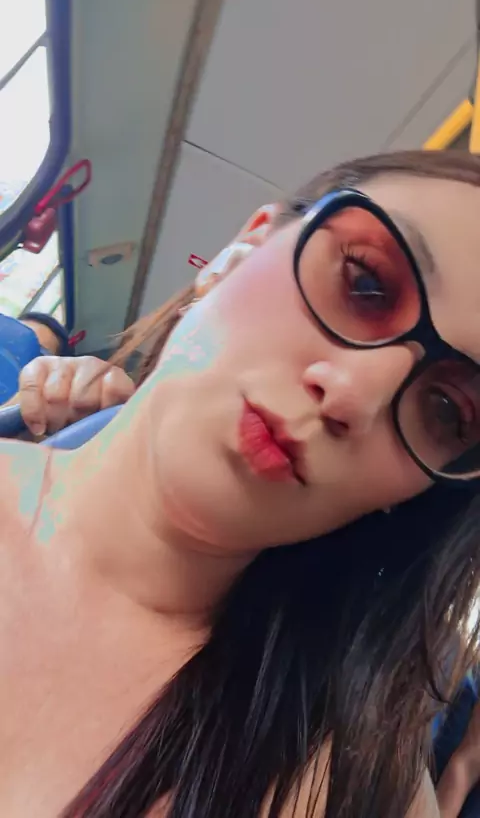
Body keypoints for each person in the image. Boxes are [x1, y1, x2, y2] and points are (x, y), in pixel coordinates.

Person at [4, 149, 480, 818]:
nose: (352, 393)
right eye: (366, 284)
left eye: (447, 411)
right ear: (242, 248)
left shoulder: (340, 790)